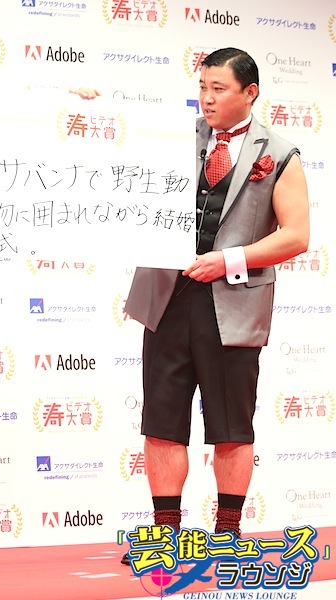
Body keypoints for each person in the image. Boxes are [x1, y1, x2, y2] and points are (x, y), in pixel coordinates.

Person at [121, 47, 309, 564]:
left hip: (234, 303)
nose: (206, 98)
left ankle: (227, 534)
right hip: (166, 296)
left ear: (250, 93)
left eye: (218, 89)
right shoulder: (172, 138)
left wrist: (228, 260)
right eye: (202, 87)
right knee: (162, 420)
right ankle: (164, 537)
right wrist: (88, 103)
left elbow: (296, 235)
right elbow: (116, 151)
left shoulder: (281, 153)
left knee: (230, 425)